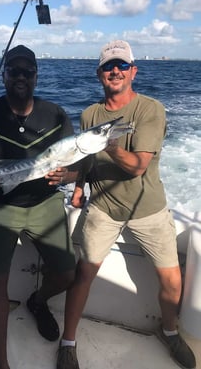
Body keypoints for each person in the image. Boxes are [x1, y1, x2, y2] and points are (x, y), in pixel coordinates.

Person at [56, 40, 196, 369]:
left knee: (172, 280)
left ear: (133, 71)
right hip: (103, 208)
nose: (114, 71)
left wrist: (110, 145)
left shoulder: (150, 109)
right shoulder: (90, 113)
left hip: (148, 209)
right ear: (98, 74)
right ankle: (68, 342)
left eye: (121, 65)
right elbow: (86, 158)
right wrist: (77, 184)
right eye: (108, 66)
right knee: (83, 275)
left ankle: (170, 331)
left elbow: (137, 167)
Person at [0, 45, 78, 369]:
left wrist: (67, 175)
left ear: (36, 76)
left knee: (68, 273)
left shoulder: (55, 114)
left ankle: (37, 301)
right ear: (6, 76)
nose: (21, 76)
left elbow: (77, 166)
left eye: (28, 71)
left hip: (45, 202)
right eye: (14, 71)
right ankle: (2, 364)